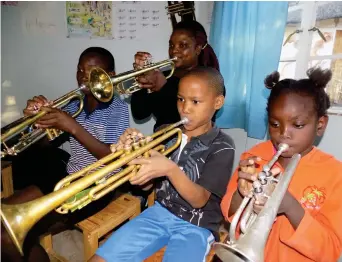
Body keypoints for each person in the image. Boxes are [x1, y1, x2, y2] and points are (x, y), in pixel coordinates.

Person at [89, 67, 235, 262]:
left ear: (218, 102)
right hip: (159, 212)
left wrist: (170, 168)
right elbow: (147, 185)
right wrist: (131, 158)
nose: (185, 108)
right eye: (180, 99)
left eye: (195, 101)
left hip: (197, 225)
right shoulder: (166, 131)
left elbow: (199, 200)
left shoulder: (222, 145)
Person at [1, 47, 130, 262]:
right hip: (67, 175)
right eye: (80, 70)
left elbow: (113, 159)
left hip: (95, 186)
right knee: (5, 224)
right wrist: (34, 123)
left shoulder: (117, 108)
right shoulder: (74, 104)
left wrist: (72, 127)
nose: (83, 77)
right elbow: (43, 144)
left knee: (9, 238)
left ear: (110, 76)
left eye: (91, 71)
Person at [221, 67, 342, 262]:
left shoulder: (335, 174)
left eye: (298, 125)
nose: (284, 133)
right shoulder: (254, 156)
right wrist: (240, 195)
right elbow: (230, 214)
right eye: (275, 124)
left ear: (320, 125)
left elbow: (329, 250)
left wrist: (290, 207)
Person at [131, 20, 224, 132]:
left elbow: (184, 119)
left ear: (197, 48)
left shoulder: (209, 81)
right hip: (162, 142)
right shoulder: (164, 76)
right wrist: (141, 79)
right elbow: (140, 114)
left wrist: (163, 87)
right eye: (171, 45)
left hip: (196, 144)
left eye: (182, 45)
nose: (174, 50)